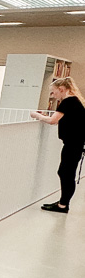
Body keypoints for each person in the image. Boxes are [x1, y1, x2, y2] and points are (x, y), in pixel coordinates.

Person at [30, 76, 85, 213]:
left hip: (73, 144)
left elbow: (53, 121)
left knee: (65, 173)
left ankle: (63, 205)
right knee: (66, 172)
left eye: (53, 92)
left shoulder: (68, 102)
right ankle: (63, 203)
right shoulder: (75, 101)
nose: (53, 96)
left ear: (61, 89)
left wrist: (36, 116)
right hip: (75, 143)